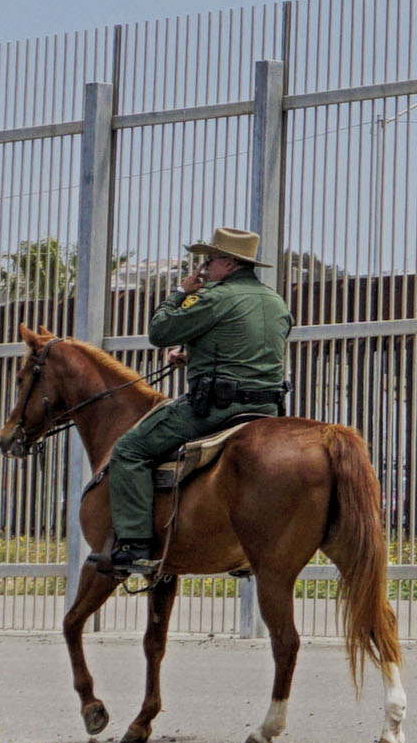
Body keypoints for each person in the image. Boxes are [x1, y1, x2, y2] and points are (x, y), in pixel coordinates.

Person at [96, 224, 291, 593]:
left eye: (210, 259)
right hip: (268, 408)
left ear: (230, 263)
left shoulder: (214, 297)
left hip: (216, 408)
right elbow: (248, 347)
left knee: (129, 451)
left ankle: (135, 546)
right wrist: (195, 356)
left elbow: (160, 331)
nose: (203, 268)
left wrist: (179, 292)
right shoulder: (275, 301)